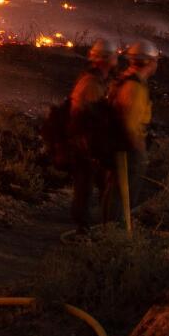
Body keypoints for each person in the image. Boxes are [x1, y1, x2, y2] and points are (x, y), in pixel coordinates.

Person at [64, 45, 121, 232]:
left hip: (88, 139)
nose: (116, 59)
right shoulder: (91, 83)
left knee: (98, 182)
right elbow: (93, 114)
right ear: (104, 59)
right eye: (113, 56)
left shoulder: (98, 80)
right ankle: (83, 226)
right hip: (83, 141)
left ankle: (99, 222)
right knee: (85, 184)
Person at [107, 45, 154, 225]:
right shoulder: (133, 87)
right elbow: (129, 123)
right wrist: (139, 149)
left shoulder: (128, 80)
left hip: (120, 143)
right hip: (127, 147)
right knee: (123, 191)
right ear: (148, 62)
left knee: (118, 190)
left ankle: (112, 230)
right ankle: (114, 233)